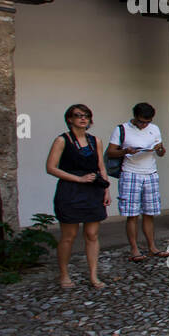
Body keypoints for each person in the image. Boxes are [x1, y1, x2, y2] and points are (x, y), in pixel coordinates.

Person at [45, 104, 110, 289]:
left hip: (93, 190)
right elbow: (51, 168)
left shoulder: (95, 141)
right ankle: (64, 274)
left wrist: (106, 189)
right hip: (71, 190)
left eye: (86, 116)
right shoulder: (62, 140)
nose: (83, 119)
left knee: (92, 234)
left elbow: (101, 166)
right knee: (69, 235)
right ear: (69, 119)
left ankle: (93, 275)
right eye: (78, 115)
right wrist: (78, 179)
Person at [107, 102, 168, 262]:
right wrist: (126, 151)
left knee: (150, 213)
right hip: (130, 173)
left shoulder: (154, 129)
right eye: (141, 121)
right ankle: (134, 249)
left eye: (147, 122)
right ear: (134, 117)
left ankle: (152, 246)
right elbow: (111, 152)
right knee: (132, 214)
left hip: (150, 173)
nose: (144, 125)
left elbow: (160, 152)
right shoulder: (121, 129)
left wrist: (160, 149)